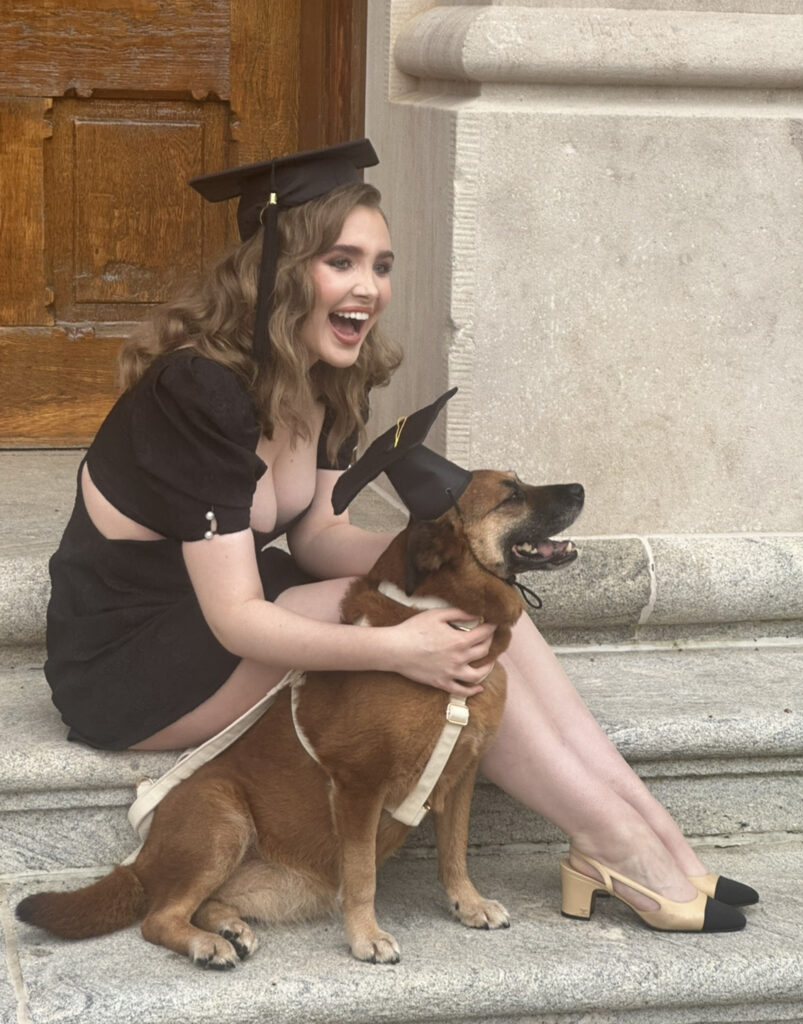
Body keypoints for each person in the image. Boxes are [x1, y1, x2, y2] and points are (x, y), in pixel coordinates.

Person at [44, 139, 755, 933]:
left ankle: (651, 833)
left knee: (482, 602)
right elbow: (235, 616)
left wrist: (451, 553)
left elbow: (316, 537)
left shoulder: (323, 376)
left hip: (240, 604)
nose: (368, 288)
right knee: (444, 623)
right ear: (278, 272)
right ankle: (614, 842)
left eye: (380, 265)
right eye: (341, 261)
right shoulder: (198, 391)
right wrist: (398, 644)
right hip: (132, 658)